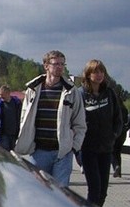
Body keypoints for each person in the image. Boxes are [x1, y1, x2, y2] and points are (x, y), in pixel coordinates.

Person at [14, 50, 86, 187]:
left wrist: (73, 147)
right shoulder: (33, 89)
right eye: (56, 64)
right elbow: (24, 118)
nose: (59, 67)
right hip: (38, 151)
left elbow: (80, 122)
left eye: (62, 64)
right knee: (37, 191)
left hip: (62, 153)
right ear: (46, 66)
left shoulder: (71, 91)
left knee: (60, 194)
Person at [78, 60, 123, 206]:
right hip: (88, 149)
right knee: (95, 189)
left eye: (101, 71)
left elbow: (118, 118)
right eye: (95, 72)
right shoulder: (80, 94)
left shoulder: (109, 93)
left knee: (103, 191)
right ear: (88, 74)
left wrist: (114, 135)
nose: (99, 75)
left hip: (106, 148)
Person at [0, 85, 22, 151]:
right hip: (3, 134)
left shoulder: (17, 103)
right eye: (0, 95)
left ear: (8, 93)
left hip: (14, 134)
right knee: (5, 152)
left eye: (2, 94)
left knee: (14, 153)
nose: (0, 96)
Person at [111, 96, 128, 177]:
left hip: (115, 132)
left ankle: (115, 166)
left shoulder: (115, 109)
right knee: (118, 152)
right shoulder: (125, 109)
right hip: (123, 133)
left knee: (111, 151)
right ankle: (119, 171)